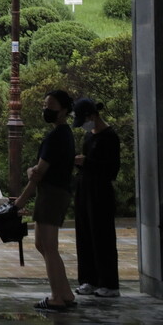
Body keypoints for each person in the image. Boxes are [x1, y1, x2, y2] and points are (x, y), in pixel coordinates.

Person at [14, 89, 77, 312]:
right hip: (53, 193)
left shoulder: (56, 137)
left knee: (49, 246)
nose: (46, 110)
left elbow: (39, 173)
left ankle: (57, 297)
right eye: (45, 105)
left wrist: (20, 201)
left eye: (51, 107)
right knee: (43, 245)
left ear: (64, 111)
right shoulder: (64, 134)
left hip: (52, 194)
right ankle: (65, 292)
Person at [73, 97, 121, 298]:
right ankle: (88, 279)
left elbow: (111, 169)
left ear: (92, 116)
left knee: (102, 236)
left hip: (101, 192)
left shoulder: (109, 137)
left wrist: (88, 162)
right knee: (84, 235)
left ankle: (108, 283)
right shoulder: (89, 137)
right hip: (85, 189)